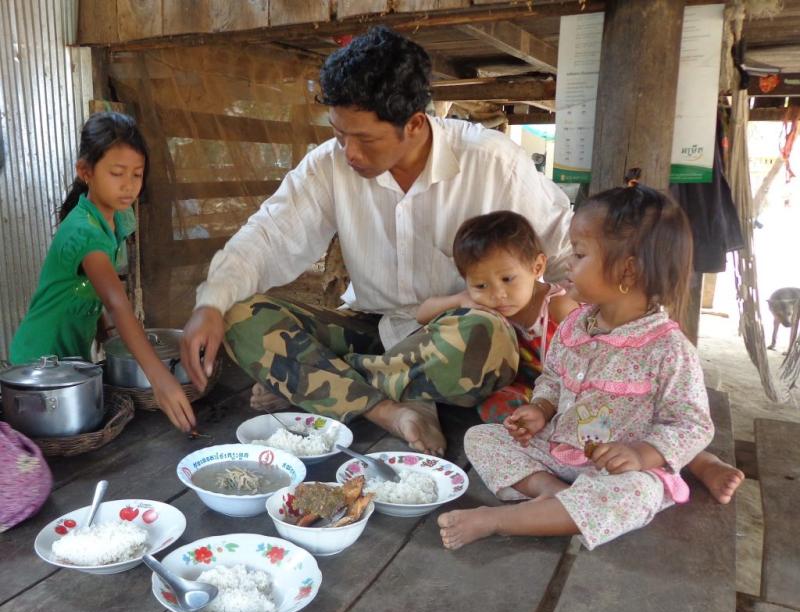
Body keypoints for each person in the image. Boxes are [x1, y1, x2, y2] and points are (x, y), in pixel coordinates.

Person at [180, 26, 573, 455]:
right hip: (371, 328)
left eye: (364, 138)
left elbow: (562, 253)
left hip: (450, 340)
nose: (349, 152)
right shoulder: (329, 167)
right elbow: (269, 235)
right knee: (237, 315)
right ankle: (390, 410)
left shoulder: (493, 162)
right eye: (338, 134)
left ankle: (319, 381)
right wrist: (210, 304)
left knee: (490, 340)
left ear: (415, 124)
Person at [438, 183, 744, 551]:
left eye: (580, 254)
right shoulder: (574, 324)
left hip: (617, 473)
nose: (568, 262)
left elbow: (692, 424)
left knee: (638, 494)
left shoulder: (668, 349)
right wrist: (541, 409)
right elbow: (552, 377)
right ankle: (554, 496)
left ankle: (499, 521)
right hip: (557, 449)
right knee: (483, 437)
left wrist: (641, 454)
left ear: (627, 272)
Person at [10, 112, 196, 432]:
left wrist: (103, 328)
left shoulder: (119, 219)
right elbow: (116, 302)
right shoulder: (83, 232)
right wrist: (160, 378)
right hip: (37, 363)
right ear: (86, 171)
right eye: (117, 173)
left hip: (72, 360)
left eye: (137, 175)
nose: (129, 186)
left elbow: (97, 285)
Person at [416, 211, 579, 422]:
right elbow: (422, 314)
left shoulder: (559, 306)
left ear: (536, 267)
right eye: (480, 285)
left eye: (507, 279)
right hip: (521, 388)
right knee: (493, 404)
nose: (497, 294)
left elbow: (583, 363)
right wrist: (460, 300)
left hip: (563, 388)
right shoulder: (476, 300)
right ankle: (526, 431)